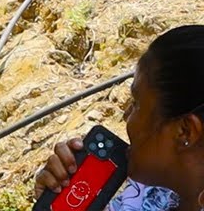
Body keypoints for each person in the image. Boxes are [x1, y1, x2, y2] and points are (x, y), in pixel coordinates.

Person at [33, 25, 204, 211]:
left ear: (185, 131)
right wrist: (56, 203)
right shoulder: (147, 192)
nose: (126, 116)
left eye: (136, 104)